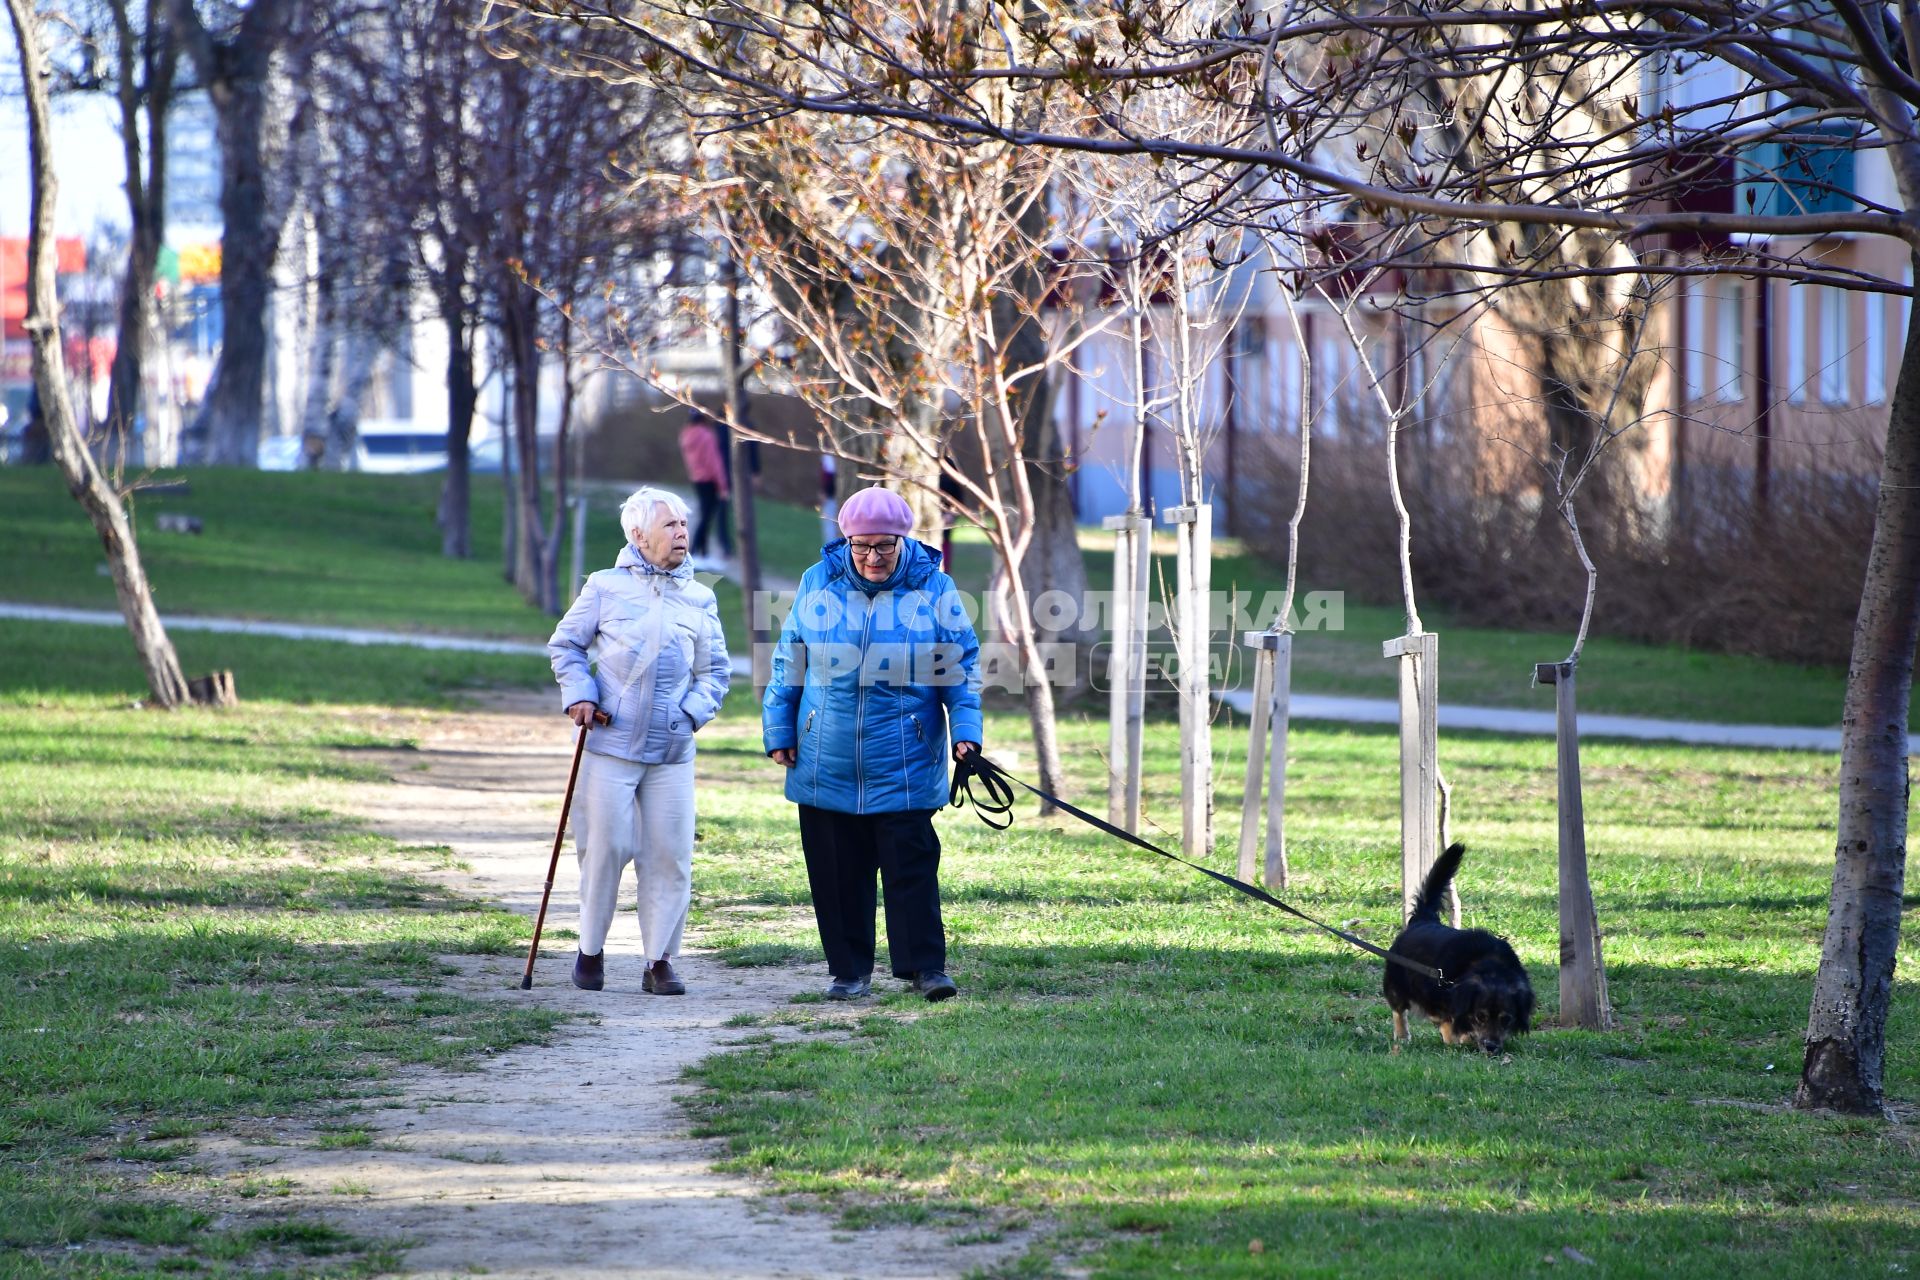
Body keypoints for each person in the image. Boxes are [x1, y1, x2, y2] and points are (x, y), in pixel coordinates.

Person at [763, 485, 983, 1002]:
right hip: (827, 754)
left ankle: (924, 967)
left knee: (911, 868)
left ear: (903, 541)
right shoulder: (817, 582)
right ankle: (849, 971)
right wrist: (780, 729)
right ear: (846, 541)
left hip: (905, 755)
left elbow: (961, 668)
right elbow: (789, 658)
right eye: (862, 546)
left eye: (884, 546)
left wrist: (966, 733)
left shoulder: (935, 588)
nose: (872, 557)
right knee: (837, 871)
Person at [548, 486, 730, 995]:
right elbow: (565, 644)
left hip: (673, 752)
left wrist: (690, 715)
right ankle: (590, 950)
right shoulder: (604, 587)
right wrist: (580, 694)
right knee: (605, 849)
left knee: (670, 855)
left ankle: (659, 961)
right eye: (670, 525)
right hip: (610, 746)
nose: (681, 533)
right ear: (637, 535)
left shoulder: (700, 597)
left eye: (683, 525)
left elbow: (714, 671)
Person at [677, 411, 732, 560]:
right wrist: (723, 485)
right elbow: (714, 462)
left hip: (696, 479)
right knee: (707, 517)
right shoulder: (707, 436)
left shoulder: (686, 436)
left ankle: (703, 551)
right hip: (709, 480)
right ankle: (695, 550)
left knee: (704, 514)